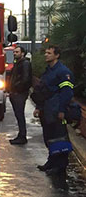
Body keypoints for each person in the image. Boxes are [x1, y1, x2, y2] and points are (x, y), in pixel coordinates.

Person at [33, 45, 74, 174]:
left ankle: (60, 166)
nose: (46, 55)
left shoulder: (63, 72)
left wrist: (61, 110)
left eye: (49, 53)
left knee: (59, 138)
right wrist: (39, 108)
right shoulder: (47, 71)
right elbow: (42, 91)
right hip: (46, 109)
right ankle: (51, 161)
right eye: (45, 53)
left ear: (57, 55)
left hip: (56, 110)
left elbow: (67, 93)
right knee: (49, 137)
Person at [9, 46, 32, 144]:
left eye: (17, 52)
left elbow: (25, 79)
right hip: (16, 93)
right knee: (18, 115)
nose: (14, 53)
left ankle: (22, 136)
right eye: (14, 52)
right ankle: (21, 135)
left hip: (19, 93)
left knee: (20, 115)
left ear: (22, 53)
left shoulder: (25, 64)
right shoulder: (18, 63)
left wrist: (17, 89)